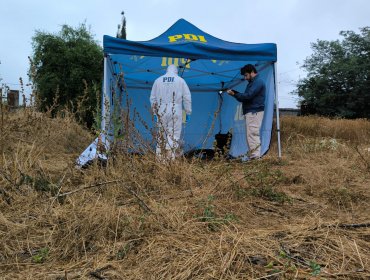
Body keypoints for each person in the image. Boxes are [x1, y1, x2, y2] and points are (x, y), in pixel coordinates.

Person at [150, 64, 192, 161]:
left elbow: (153, 98)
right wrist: (188, 111)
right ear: (176, 71)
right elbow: (187, 97)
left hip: (161, 109)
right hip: (175, 109)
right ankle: (170, 160)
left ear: (167, 70)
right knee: (174, 135)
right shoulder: (180, 80)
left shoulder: (158, 80)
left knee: (161, 134)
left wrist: (155, 112)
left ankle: (160, 160)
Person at [227, 64, 265, 160]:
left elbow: (247, 96)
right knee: (251, 134)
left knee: (252, 134)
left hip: (254, 112)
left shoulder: (258, 82)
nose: (245, 78)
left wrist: (234, 94)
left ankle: (255, 157)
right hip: (252, 111)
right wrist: (236, 93)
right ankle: (254, 157)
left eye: (246, 75)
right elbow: (247, 96)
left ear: (252, 72)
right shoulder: (254, 82)